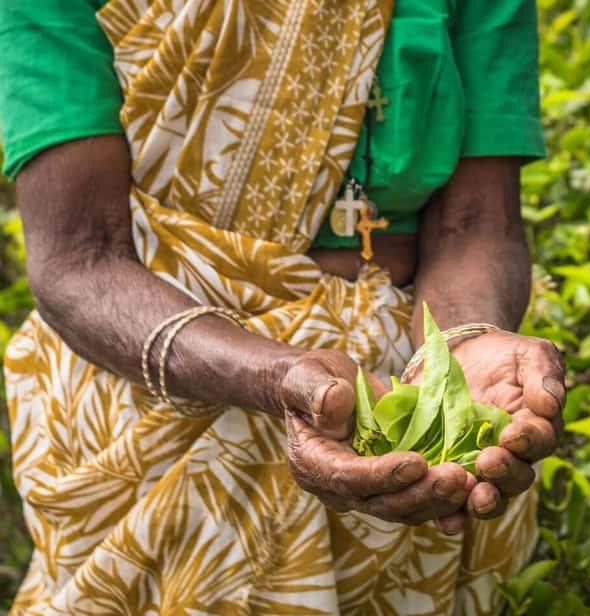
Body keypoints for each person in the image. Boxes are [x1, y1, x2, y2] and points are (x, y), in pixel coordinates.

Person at [0, 0, 561, 613]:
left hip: (401, 393)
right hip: (156, 388)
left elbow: (476, 224)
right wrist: (276, 375)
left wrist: (464, 346)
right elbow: (83, 259)